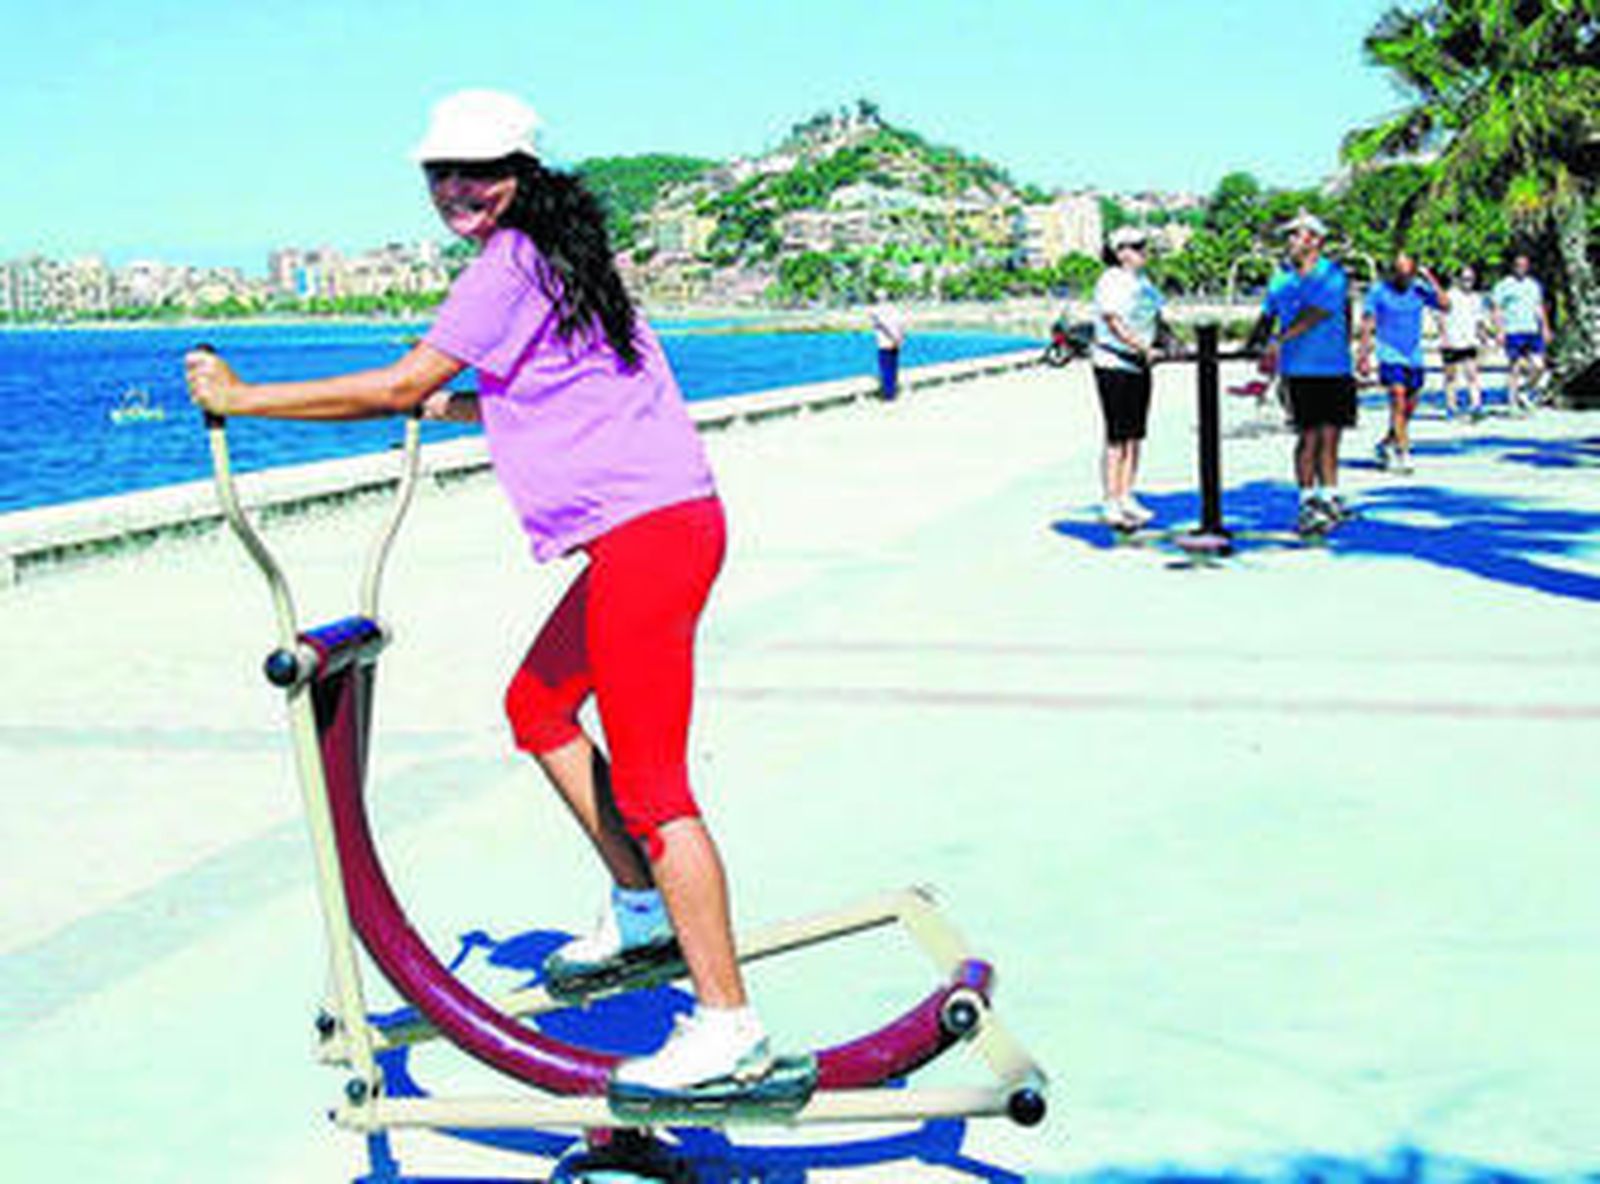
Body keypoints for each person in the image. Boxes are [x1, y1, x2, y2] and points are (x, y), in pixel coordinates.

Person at [185, 89, 774, 1098]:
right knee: (536, 706)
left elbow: (401, 382)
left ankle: (729, 1026)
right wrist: (430, 406)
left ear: (523, 173)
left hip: (648, 538)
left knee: (653, 788)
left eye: (480, 170)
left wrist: (243, 400)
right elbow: (531, 391)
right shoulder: (561, 257)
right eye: (440, 173)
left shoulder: (510, 263)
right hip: (661, 526)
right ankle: (640, 910)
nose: (457, 189)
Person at [1256, 211, 1356, 535]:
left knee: (1331, 435)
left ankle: (1329, 495)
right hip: (1298, 370)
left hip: (1335, 367)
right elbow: (1267, 316)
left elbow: (1315, 314)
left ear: (1315, 240)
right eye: (1289, 236)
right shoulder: (1280, 278)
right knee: (1308, 435)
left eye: (1295, 235)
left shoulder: (1333, 276)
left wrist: (1278, 339)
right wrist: (1257, 347)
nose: (1289, 242)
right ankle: (1306, 500)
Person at [1089, 225, 1167, 529]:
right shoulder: (1111, 281)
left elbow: (1156, 318)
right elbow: (1114, 321)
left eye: (1144, 246)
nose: (1143, 252)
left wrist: (1167, 343)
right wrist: (1142, 347)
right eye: (1136, 246)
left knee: (1135, 435)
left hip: (1140, 365)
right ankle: (1110, 499)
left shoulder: (1144, 283)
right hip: (1114, 363)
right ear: (1121, 252)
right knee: (1117, 436)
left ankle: (1126, 495)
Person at [1358, 252, 1447, 474]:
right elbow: (1368, 322)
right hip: (1389, 353)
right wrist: (1363, 355)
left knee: (1409, 406)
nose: (1403, 277)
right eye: (1399, 272)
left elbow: (1445, 305)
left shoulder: (1419, 289)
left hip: (1414, 355)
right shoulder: (1378, 291)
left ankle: (1388, 441)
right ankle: (1403, 452)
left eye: (1408, 272)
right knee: (1397, 398)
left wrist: (1431, 278)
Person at [1491, 251, 1554, 413]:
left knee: (1539, 365)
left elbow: (1539, 307)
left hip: (1532, 329)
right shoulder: (1504, 285)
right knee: (1515, 367)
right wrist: (1499, 331)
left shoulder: (1533, 285)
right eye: (1518, 265)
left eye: (1524, 265)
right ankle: (1512, 402)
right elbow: (1497, 309)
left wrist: (1545, 328)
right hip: (1513, 330)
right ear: (1513, 267)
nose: (1521, 268)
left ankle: (1525, 390)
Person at [1438, 265, 1489, 421]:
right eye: (1465, 279)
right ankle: (1451, 407)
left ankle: (1476, 405)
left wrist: (1483, 337)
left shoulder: (1476, 298)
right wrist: (1444, 337)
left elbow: (1479, 319)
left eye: (1471, 279)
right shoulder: (1449, 296)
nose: (1469, 282)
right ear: (1458, 280)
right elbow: (1440, 317)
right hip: (1452, 340)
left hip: (1469, 340)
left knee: (1472, 374)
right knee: (1451, 377)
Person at [869, 300, 907, 399]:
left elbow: (884, 326)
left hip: (885, 344)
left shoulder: (878, 314)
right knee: (893, 368)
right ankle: (892, 392)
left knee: (885, 369)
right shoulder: (897, 313)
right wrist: (900, 340)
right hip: (895, 344)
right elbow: (903, 326)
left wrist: (894, 338)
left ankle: (888, 394)